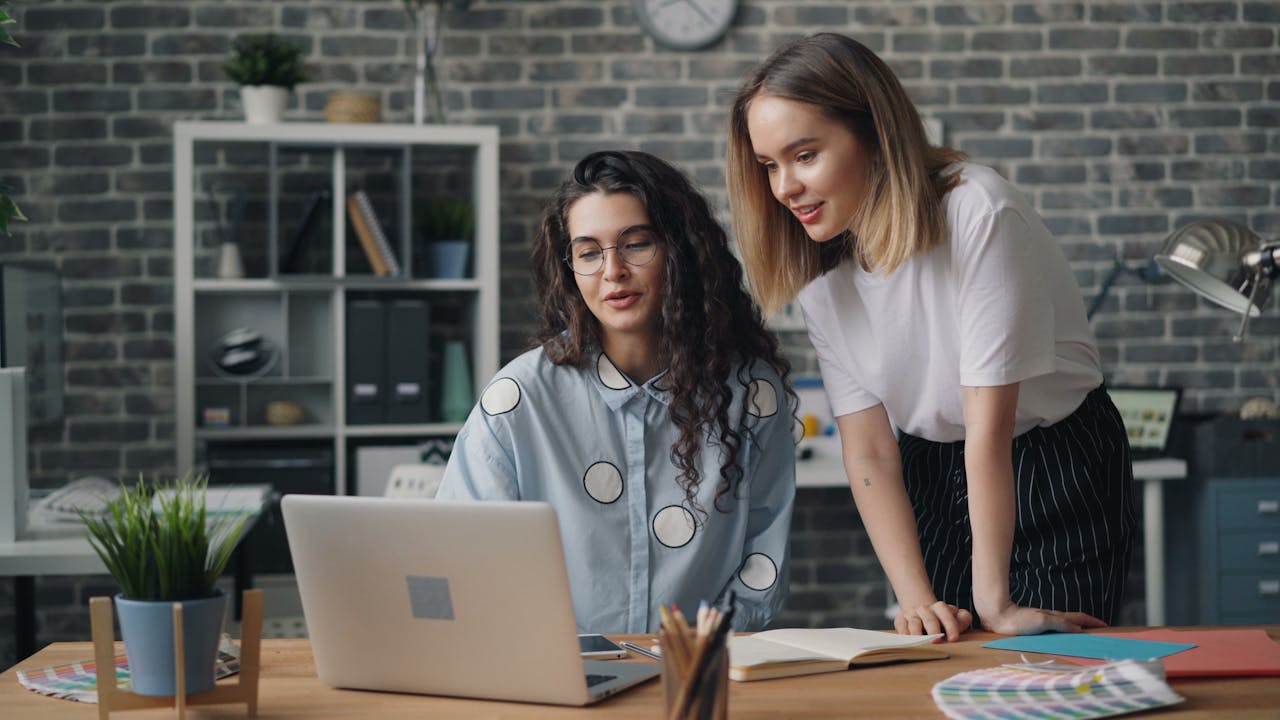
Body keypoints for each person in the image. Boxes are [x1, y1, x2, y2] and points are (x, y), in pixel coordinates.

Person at [727, 33, 1137, 640]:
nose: (784, 187)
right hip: (930, 468)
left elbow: (988, 429)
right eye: (769, 166)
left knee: (1044, 676)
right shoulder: (821, 273)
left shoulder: (978, 211)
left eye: (804, 155)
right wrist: (915, 598)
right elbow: (867, 452)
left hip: (1052, 461)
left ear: (873, 133)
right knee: (940, 660)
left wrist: (993, 602)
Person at [436, 150, 796, 634]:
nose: (613, 271)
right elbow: (463, 558)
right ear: (571, 268)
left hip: (696, 677)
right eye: (588, 251)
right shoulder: (518, 399)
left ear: (681, 250)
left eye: (636, 244)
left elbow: (762, 558)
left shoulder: (751, 395)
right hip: (556, 682)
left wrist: (701, 652)